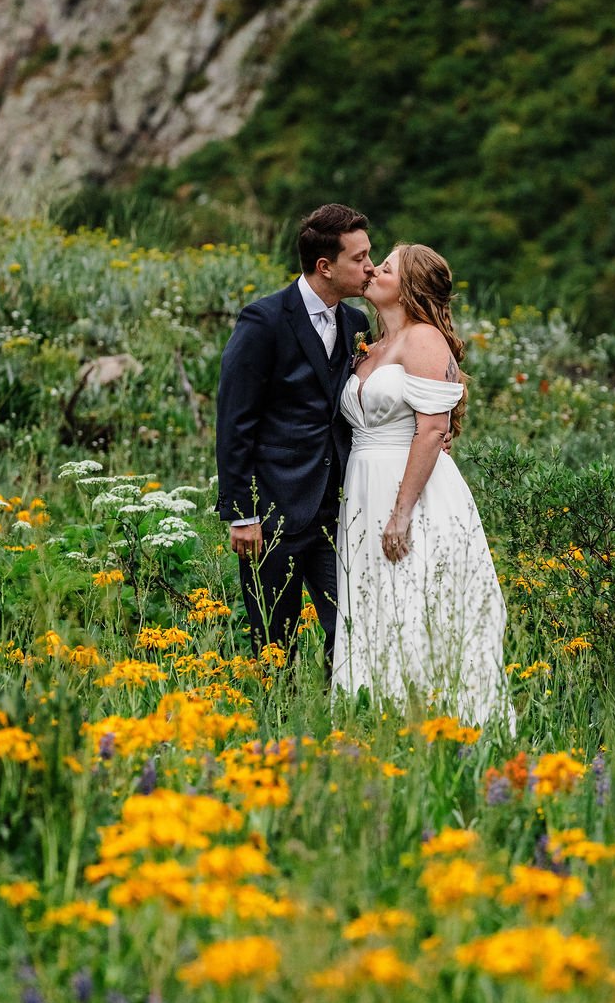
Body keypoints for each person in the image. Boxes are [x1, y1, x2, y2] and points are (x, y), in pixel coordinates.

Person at [332, 242, 510, 726]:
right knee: (374, 606)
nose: (371, 271)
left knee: (415, 600)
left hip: (411, 494)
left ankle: (436, 718)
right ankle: (376, 719)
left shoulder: (423, 338)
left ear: (407, 287)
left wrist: (401, 512)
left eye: (384, 267)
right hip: (364, 489)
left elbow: (433, 428)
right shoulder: (370, 342)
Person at [215, 203, 373, 664]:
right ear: (325, 266)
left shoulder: (356, 324)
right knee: (272, 641)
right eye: (359, 258)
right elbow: (234, 422)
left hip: (337, 508)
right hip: (272, 514)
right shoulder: (263, 321)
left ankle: (340, 725)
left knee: (348, 630)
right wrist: (241, 514)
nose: (370, 267)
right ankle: (274, 728)